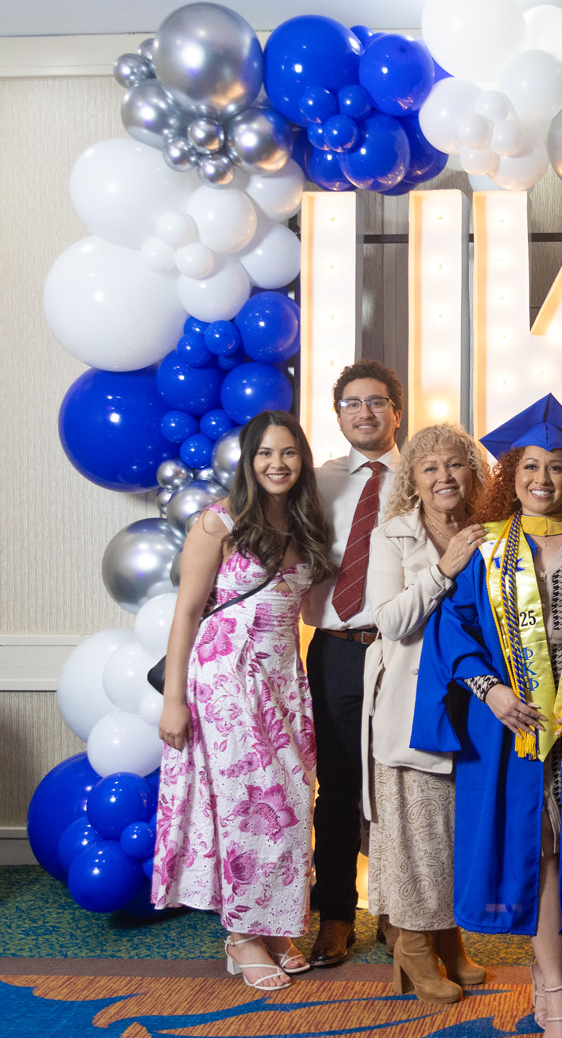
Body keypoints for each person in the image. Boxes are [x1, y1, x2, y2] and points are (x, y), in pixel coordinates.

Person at [413, 395, 562, 1038]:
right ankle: (555, 989)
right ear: (510, 475)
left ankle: (552, 983)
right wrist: (488, 690)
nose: (543, 479)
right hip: (507, 728)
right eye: (529, 467)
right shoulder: (482, 547)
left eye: (557, 468)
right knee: (536, 847)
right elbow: (452, 630)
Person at [153, 410, 333, 991]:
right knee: (246, 804)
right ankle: (241, 936)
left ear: (302, 460)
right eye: (265, 453)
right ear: (249, 462)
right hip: (226, 680)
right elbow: (186, 613)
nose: (277, 464)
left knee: (291, 803)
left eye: (288, 452)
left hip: (283, 679)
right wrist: (173, 701)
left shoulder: (305, 523)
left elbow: (308, 606)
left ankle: (273, 924)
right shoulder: (219, 523)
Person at [361, 423, 491, 1002]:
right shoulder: (393, 535)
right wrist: (444, 571)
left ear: (473, 474)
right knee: (417, 838)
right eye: (430, 468)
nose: (444, 477)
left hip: (475, 703)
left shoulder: (491, 532)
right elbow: (389, 621)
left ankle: (447, 939)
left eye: (455, 464)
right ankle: (412, 946)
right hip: (414, 704)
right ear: (412, 481)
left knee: (455, 834)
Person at [301, 359, 403, 968]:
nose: (365, 412)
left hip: (402, 651)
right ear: (338, 416)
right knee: (337, 784)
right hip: (336, 649)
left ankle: (398, 912)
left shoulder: (422, 476)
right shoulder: (315, 481)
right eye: (352, 403)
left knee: (397, 784)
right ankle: (335, 914)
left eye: (377, 402)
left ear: (397, 412)